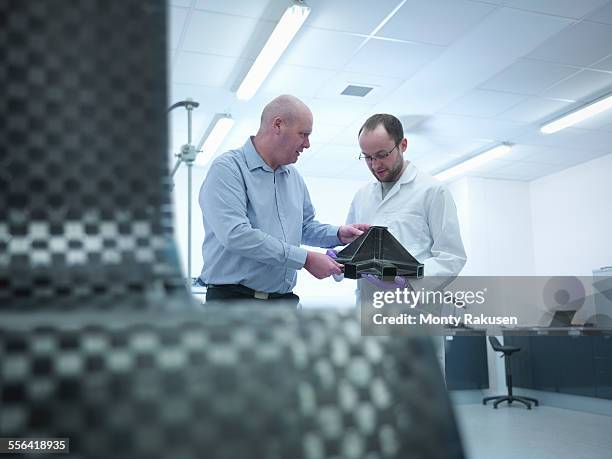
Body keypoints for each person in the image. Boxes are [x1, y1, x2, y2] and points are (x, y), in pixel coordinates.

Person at [198, 95, 369, 304]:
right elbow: (236, 235)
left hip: (283, 302)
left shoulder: (293, 177)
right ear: (278, 125)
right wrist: (304, 259)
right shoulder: (228, 169)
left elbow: (304, 227)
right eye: (303, 134)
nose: (307, 144)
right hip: (234, 302)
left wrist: (339, 234)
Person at [346, 113, 466, 281]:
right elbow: (353, 249)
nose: (375, 165)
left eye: (382, 155)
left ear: (402, 145)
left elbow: (451, 258)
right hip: (367, 301)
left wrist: (410, 282)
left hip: (412, 302)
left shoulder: (433, 191)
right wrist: (338, 260)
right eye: (367, 157)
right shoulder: (362, 196)